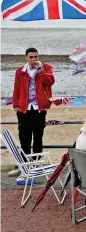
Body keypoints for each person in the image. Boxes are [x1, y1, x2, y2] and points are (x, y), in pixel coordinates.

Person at [10, 48, 55, 177]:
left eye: (36, 56)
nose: (34, 59)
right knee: (24, 138)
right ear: (26, 58)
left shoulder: (45, 67)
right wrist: (16, 104)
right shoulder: (20, 71)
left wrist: (40, 71)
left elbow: (50, 82)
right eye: (31, 57)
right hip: (24, 108)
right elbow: (16, 88)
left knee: (38, 137)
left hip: (39, 108)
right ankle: (24, 166)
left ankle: (36, 165)